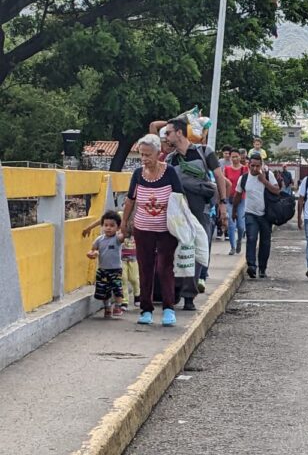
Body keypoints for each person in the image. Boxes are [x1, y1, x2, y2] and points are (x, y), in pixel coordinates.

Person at [164, 118, 228, 304]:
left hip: (201, 208)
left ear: (180, 132)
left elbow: (219, 177)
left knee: (198, 249)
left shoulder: (204, 152)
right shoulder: (170, 159)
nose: (166, 137)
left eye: (168, 133)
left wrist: (222, 203)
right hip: (178, 210)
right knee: (179, 249)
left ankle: (189, 296)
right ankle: (175, 291)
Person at [122, 134, 183, 326]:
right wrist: (124, 222)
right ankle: (146, 309)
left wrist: (182, 224)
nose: (145, 159)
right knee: (145, 267)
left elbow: (180, 199)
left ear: (158, 153)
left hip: (166, 229)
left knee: (165, 267)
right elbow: (131, 199)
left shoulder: (170, 172)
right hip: (143, 228)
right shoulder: (138, 174)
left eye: (148, 155)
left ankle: (168, 308)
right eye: (142, 155)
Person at [232, 155, 280, 279]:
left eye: (257, 166)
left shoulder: (268, 175)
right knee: (251, 238)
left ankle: (262, 268)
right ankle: (252, 266)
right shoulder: (244, 178)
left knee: (265, 242)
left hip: (266, 215)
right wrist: (234, 211)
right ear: (248, 164)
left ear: (261, 165)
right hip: (250, 214)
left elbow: (276, 190)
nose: (254, 168)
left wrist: (264, 180)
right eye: (252, 165)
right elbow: (237, 195)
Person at [87, 210, 125, 319]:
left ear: (117, 227)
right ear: (102, 226)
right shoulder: (99, 240)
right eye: (106, 225)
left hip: (116, 270)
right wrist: (91, 254)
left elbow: (124, 235)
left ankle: (118, 306)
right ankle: (107, 307)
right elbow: (93, 250)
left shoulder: (117, 239)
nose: (108, 228)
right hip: (103, 270)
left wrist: (125, 223)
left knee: (117, 289)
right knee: (104, 291)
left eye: (112, 226)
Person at [223, 149, 247, 255]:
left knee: (241, 225)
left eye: (236, 156)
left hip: (241, 199)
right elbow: (223, 184)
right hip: (229, 199)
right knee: (231, 224)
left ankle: (239, 241)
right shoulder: (226, 169)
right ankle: (232, 247)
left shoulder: (245, 169)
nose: (235, 158)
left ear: (240, 157)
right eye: (233, 156)